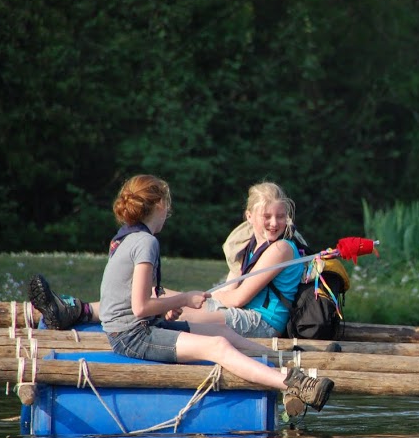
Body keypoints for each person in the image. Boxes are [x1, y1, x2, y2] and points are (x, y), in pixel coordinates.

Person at [94, 174, 333, 416]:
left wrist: (170, 305)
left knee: (222, 332)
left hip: (134, 327)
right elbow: (140, 308)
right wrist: (184, 299)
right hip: (132, 334)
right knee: (218, 345)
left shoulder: (128, 236)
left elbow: (141, 301)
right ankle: (293, 384)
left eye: (280, 216)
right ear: (161, 206)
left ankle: (283, 365)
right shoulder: (146, 242)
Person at [29, 182, 306, 340]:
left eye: (280, 217)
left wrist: (197, 299)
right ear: (249, 216)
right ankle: (78, 309)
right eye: (267, 216)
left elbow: (239, 297)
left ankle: (78, 311)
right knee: (157, 294)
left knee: (178, 309)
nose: (274, 223)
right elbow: (232, 290)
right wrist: (196, 297)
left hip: (261, 322)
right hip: (238, 309)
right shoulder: (251, 243)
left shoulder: (281, 248)